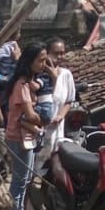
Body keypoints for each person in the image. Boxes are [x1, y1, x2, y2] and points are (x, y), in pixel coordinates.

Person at [5, 42, 48, 210]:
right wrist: (43, 118)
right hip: (18, 137)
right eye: (40, 60)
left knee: (24, 179)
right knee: (20, 181)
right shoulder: (21, 85)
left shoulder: (29, 84)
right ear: (29, 61)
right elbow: (30, 116)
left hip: (26, 137)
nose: (43, 64)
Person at [35, 37, 76, 174]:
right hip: (38, 130)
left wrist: (60, 116)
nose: (59, 57)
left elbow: (69, 100)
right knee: (34, 168)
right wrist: (52, 77)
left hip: (57, 130)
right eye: (56, 53)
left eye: (62, 53)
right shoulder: (37, 75)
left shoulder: (66, 75)